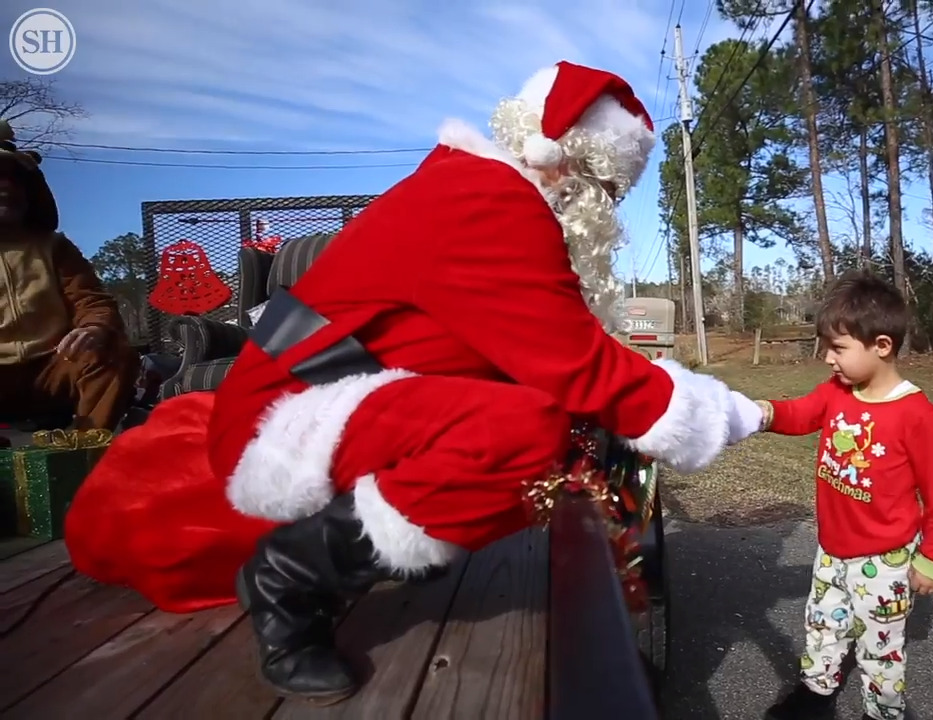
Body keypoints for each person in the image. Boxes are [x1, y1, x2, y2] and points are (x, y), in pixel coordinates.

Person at [65, 61, 762, 705]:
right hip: (291, 414)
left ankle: (383, 537)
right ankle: (287, 582)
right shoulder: (490, 205)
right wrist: (720, 413)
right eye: (608, 191)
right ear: (566, 165)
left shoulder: (476, 188)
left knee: (542, 427)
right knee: (525, 430)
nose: (606, 213)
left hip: (344, 393)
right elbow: (575, 363)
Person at [755, 270, 933, 720]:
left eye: (838, 348)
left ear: (882, 346)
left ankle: (883, 712)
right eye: (826, 347)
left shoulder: (917, 415)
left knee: (879, 649)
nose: (828, 359)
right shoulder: (836, 392)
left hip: (885, 561)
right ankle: (816, 692)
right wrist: (763, 412)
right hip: (832, 550)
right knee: (823, 627)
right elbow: (800, 413)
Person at [0, 120, 139, 432]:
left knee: (114, 355)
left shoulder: (55, 247)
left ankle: (82, 454)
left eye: (13, 179)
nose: (5, 187)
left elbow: (91, 300)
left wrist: (95, 328)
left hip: (55, 365)